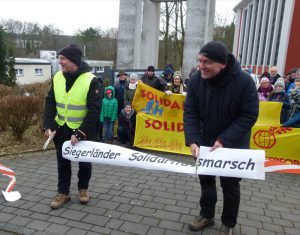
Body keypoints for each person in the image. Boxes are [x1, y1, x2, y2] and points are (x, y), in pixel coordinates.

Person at [183, 41, 259, 235]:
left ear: (222, 64)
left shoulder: (244, 82)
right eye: (200, 60)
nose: (201, 66)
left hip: (233, 145)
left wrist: (224, 140)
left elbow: (248, 115)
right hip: (205, 143)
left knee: (230, 185)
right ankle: (206, 215)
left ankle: (229, 223)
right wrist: (193, 139)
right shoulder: (196, 80)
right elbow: (190, 111)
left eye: (206, 62)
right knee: (206, 180)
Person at [43, 44, 102, 209]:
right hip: (61, 127)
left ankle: (83, 189)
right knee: (62, 162)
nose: (59, 62)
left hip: (83, 130)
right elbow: (50, 101)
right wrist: (47, 125)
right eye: (59, 58)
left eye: (63, 59)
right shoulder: (57, 77)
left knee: (84, 162)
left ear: (73, 60)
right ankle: (63, 193)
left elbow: (94, 111)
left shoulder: (91, 80)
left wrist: (80, 132)